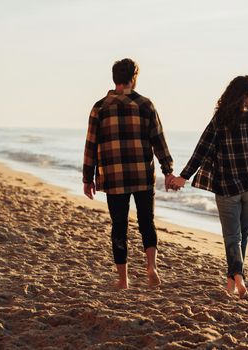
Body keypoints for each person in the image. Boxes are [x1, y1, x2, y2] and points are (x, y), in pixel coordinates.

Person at [171, 75, 248, 299]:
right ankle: (233, 283)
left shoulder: (220, 120)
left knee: (233, 237)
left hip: (227, 189)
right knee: (241, 236)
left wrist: (183, 177)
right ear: (246, 95)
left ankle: (237, 279)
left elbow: (202, 150)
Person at [82, 58, 175, 289]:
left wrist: (87, 178)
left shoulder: (100, 107)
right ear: (134, 78)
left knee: (119, 226)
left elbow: (91, 145)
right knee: (147, 222)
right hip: (142, 174)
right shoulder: (145, 105)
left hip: (113, 177)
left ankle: (123, 280)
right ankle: (151, 266)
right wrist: (168, 170)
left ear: (114, 78)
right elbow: (158, 141)